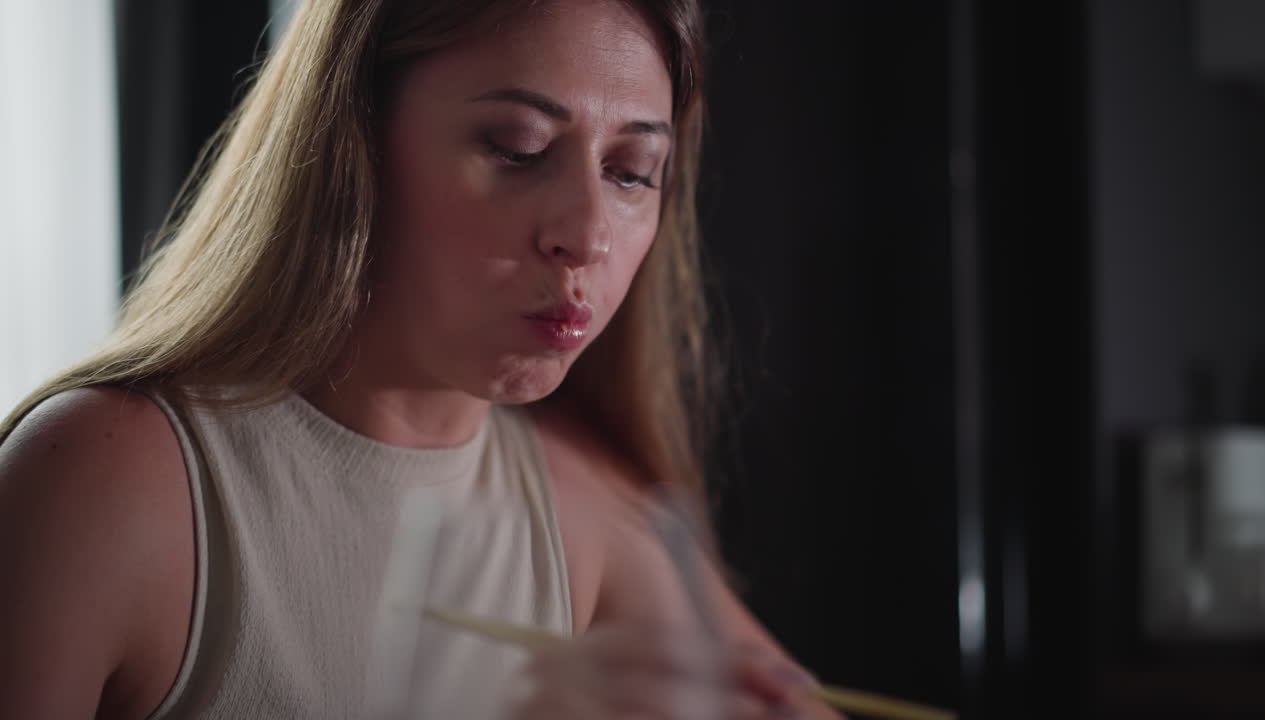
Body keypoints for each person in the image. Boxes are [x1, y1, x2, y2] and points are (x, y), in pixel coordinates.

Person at [0, 0, 840, 717]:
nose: (587, 234)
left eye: (631, 171)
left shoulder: (585, 508)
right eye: (517, 147)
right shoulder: (103, 484)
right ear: (353, 142)